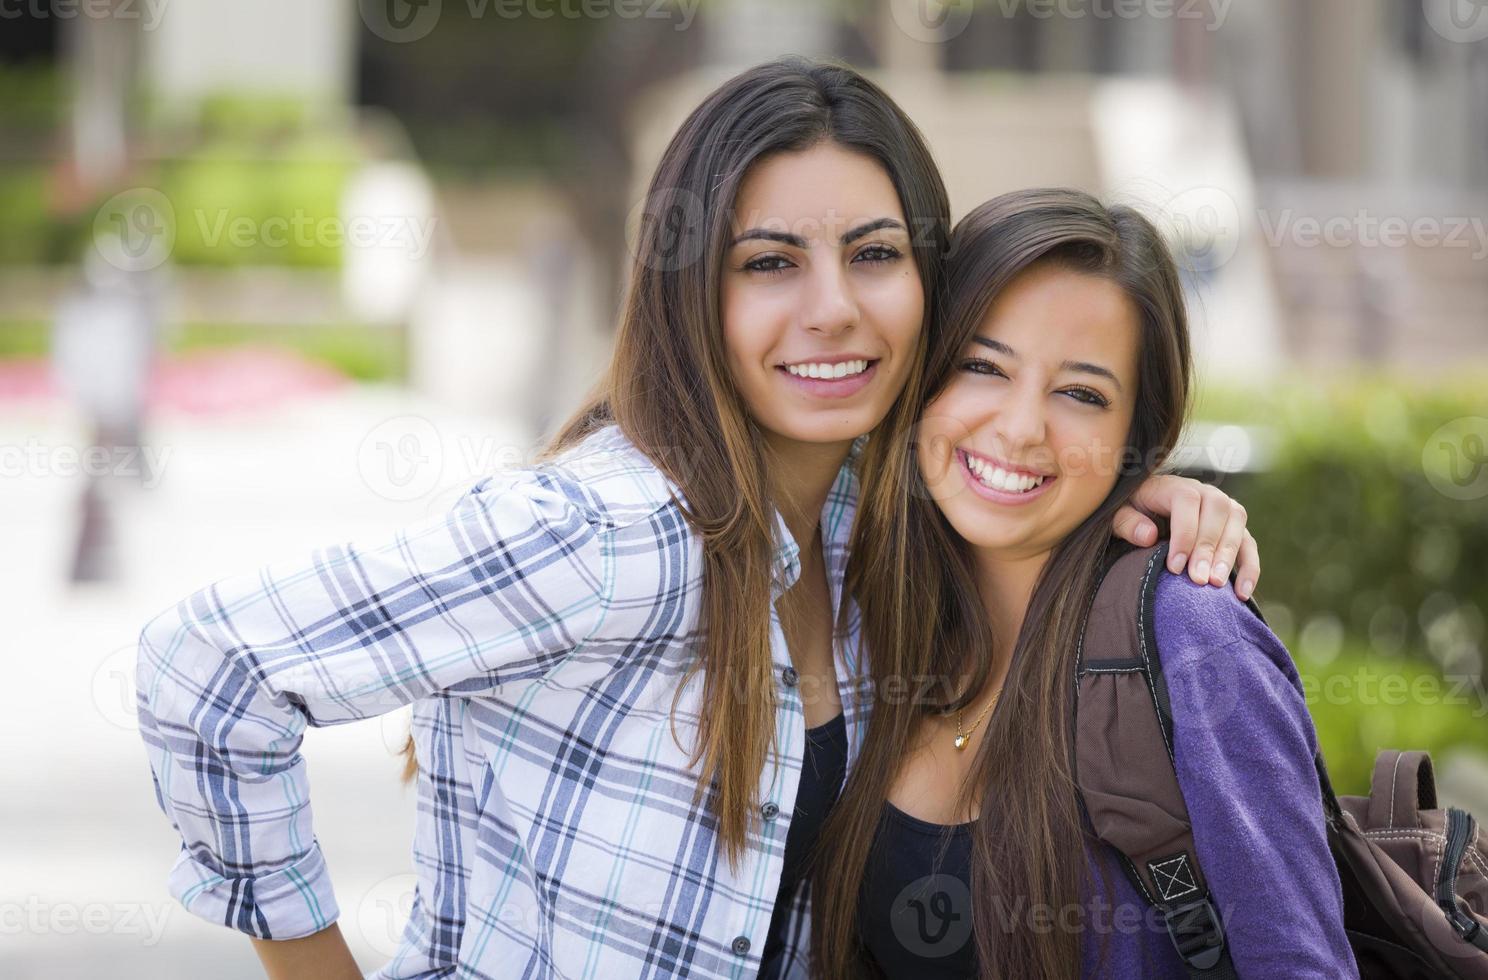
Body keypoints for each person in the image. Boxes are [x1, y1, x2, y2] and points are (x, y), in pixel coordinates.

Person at [135, 65, 1258, 980]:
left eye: (873, 254)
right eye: (769, 262)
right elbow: (208, 666)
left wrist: (1131, 489)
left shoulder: (870, 544)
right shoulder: (611, 530)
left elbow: (1015, 455)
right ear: (691, 292)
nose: (832, 306)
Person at [810, 188, 1349, 979]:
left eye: (1081, 394)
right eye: (983, 366)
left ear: (1138, 437)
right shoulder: (860, 614)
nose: (1022, 427)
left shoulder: (1191, 638)